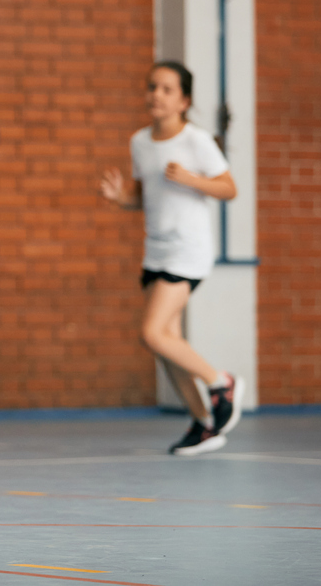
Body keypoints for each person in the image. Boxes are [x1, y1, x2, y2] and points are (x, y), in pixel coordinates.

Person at [99, 61, 244, 456]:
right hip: (156, 251)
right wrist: (120, 199)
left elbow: (229, 188)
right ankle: (204, 424)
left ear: (184, 101)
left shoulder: (197, 141)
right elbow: (144, 197)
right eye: (152, 87)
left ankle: (221, 382)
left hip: (188, 251)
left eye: (166, 89)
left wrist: (192, 180)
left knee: (152, 333)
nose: (156, 95)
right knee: (167, 343)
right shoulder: (140, 142)